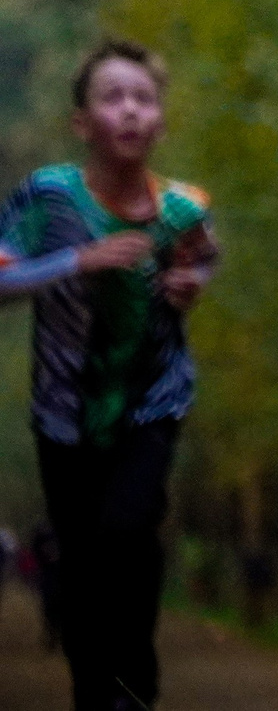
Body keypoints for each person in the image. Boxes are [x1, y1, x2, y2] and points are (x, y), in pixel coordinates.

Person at [0, 40, 220, 711]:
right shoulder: (48, 195)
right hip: (63, 409)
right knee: (82, 559)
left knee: (128, 529)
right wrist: (76, 260)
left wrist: (191, 281)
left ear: (159, 119)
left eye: (143, 98)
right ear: (83, 122)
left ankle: (135, 682)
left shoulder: (184, 205)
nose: (130, 110)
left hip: (152, 398)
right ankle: (95, 690)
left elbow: (204, 256)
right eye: (112, 97)